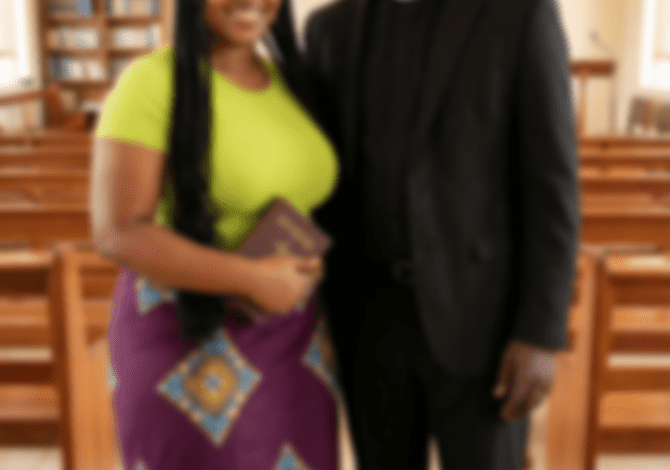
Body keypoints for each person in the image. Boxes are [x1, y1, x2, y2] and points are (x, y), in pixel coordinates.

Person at [305, 0, 580, 468]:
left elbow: (552, 186)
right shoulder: (330, 28)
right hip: (368, 321)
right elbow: (319, 182)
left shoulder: (519, 15)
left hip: (482, 323)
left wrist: (541, 332)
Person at [90, 0, 341, 468]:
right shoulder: (150, 81)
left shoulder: (291, 82)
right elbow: (118, 231)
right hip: (186, 334)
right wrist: (250, 279)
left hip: (292, 337)